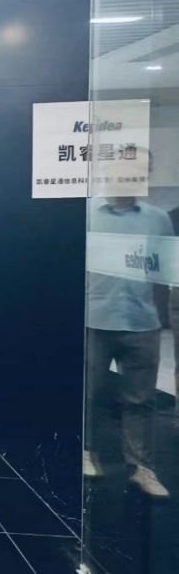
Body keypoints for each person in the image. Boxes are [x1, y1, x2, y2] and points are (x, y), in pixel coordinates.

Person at [85, 196, 172, 498]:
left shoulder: (157, 218)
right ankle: (87, 452)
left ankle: (141, 467)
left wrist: (158, 317)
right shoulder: (88, 214)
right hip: (94, 319)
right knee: (89, 394)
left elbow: (163, 272)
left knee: (140, 399)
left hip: (142, 321)